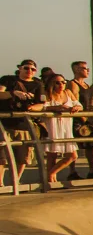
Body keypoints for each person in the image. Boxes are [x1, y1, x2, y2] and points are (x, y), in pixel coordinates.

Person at [0, 59, 47, 187]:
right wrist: (13, 93)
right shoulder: (8, 80)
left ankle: (16, 180)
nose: (29, 71)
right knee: (2, 156)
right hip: (5, 123)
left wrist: (31, 108)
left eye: (33, 69)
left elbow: (42, 104)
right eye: (26, 68)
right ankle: (0, 183)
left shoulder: (38, 84)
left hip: (24, 125)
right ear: (20, 68)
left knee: (23, 157)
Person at [42, 74, 83, 188]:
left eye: (63, 82)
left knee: (72, 155)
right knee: (52, 155)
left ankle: (52, 173)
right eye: (57, 82)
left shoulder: (68, 93)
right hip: (53, 125)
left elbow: (79, 105)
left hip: (66, 126)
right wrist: (57, 108)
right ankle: (50, 180)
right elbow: (43, 106)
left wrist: (76, 108)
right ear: (52, 84)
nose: (61, 85)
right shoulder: (47, 94)